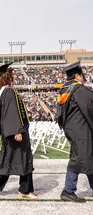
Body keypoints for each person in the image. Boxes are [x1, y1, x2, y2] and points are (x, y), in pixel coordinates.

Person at [0, 62, 38, 200]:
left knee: (15, 160)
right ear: (8, 76)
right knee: (20, 159)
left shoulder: (3, 92)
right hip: (15, 132)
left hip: (11, 132)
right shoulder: (8, 91)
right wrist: (17, 131)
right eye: (13, 74)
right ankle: (23, 190)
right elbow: (11, 113)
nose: (15, 76)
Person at [56, 61, 93, 203]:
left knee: (87, 158)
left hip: (73, 130)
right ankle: (68, 190)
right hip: (82, 131)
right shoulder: (80, 91)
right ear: (77, 76)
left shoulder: (64, 90)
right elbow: (90, 110)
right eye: (83, 75)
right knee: (79, 159)